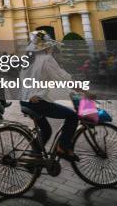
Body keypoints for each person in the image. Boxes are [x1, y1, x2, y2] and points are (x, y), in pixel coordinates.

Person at [20, 31, 80, 162]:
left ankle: (33, 159)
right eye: (50, 45)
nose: (52, 48)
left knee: (46, 130)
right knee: (73, 116)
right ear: (45, 47)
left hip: (26, 101)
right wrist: (84, 91)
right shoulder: (46, 59)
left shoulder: (29, 59)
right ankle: (62, 147)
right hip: (36, 102)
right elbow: (62, 78)